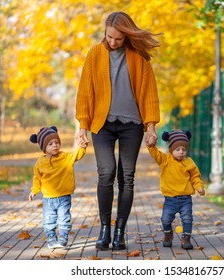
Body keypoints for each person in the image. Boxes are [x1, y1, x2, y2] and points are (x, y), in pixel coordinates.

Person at [75, 11, 161, 250]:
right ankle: (104, 230)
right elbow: (85, 92)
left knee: (127, 178)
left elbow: (149, 95)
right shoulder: (94, 54)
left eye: (118, 39)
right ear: (105, 31)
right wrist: (83, 126)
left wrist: (151, 127)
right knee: (106, 173)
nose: (113, 42)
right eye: (109, 36)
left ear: (127, 37)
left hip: (132, 125)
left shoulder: (139, 58)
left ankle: (120, 232)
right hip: (102, 125)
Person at [28, 126, 87, 249]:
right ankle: (51, 239)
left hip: (64, 196)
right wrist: (34, 190)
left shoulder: (65, 157)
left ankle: (63, 237)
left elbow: (77, 155)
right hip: (48, 199)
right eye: (50, 144)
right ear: (44, 148)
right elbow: (37, 178)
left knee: (64, 218)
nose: (55, 145)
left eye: (56, 142)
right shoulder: (40, 163)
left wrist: (82, 147)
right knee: (49, 219)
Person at [147, 129, 205, 250]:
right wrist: (151, 146)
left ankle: (186, 238)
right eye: (177, 149)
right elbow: (156, 154)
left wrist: (199, 187)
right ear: (171, 150)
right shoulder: (165, 160)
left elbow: (195, 176)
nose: (181, 152)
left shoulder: (189, 162)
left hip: (185, 199)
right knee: (166, 219)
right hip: (170, 199)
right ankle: (168, 234)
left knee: (188, 218)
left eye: (184, 149)